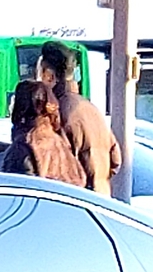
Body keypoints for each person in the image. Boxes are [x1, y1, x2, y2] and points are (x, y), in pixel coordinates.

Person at [38, 38, 121, 194]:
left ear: (48, 75)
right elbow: (115, 160)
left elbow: (53, 167)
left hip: (73, 202)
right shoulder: (91, 109)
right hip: (100, 198)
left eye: (39, 73)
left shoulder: (56, 112)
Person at [1, 80, 82, 186]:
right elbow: (79, 179)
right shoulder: (59, 142)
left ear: (19, 106)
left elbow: (19, 189)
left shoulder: (23, 146)